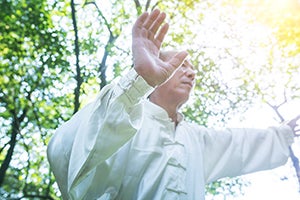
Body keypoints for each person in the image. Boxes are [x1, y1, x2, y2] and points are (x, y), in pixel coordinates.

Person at [47, 9, 298, 200]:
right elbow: (67, 150)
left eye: (193, 71)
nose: (191, 74)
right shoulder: (123, 115)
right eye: (180, 66)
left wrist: (282, 133)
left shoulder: (198, 139)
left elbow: (239, 144)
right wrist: (138, 81)